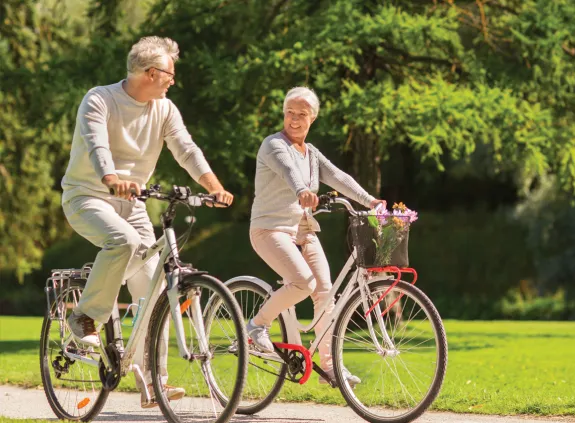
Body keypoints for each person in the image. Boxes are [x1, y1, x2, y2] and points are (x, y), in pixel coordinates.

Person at [60, 36, 234, 408]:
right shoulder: (100, 99)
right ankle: (84, 317)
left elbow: (186, 149)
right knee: (121, 241)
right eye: (170, 74)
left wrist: (213, 186)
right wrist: (110, 178)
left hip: (133, 204)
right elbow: (97, 145)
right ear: (151, 72)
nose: (173, 80)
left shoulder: (165, 109)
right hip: (87, 197)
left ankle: (154, 382)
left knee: (154, 289)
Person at [247, 86, 385, 387]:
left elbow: (338, 177)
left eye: (302, 115)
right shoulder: (273, 145)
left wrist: (370, 201)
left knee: (324, 291)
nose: (294, 120)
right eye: (289, 113)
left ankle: (330, 367)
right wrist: (302, 192)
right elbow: (288, 173)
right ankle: (257, 326)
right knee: (302, 283)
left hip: (302, 230)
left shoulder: (311, 154)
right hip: (269, 229)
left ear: (313, 119)